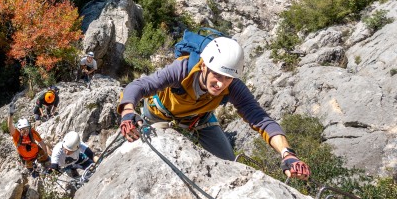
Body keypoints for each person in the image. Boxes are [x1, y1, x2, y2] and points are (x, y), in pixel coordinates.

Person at [117, 37, 311, 180]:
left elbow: (260, 119)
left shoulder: (232, 87)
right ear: (203, 66)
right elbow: (140, 86)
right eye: (217, 75)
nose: (220, 84)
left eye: (227, 78)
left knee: (229, 164)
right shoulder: (182, 70)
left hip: (198, 120)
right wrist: (128, 112)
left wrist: (288, 154)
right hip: (159, 116)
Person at [7, 107, 51, 175]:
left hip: (36, 152)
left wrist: (46, 152)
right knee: (33, 173)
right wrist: (11, 114)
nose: (25, 131)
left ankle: (46, 166)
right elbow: (10, 126)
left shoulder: (32, 132)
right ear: (19, 129)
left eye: (27, 129)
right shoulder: (16, 135)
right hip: (26, 158)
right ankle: (34, 172)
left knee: (47, 161)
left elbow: (41, 142)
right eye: (23, 129)